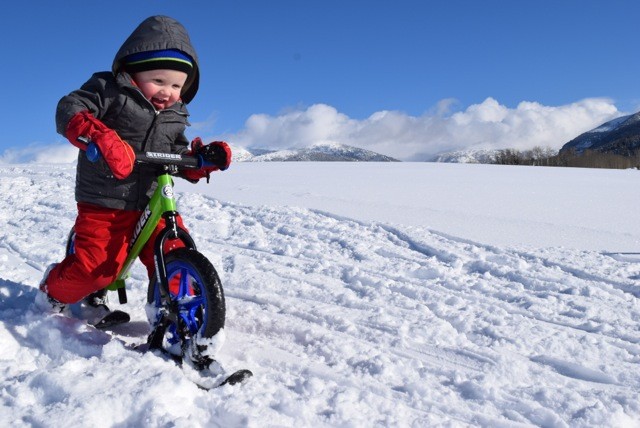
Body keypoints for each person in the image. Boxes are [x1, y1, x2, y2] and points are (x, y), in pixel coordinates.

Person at [38, 15, 231, 311]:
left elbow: (178, 154)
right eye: (159, 81)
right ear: (134, 73)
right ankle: (53, 289)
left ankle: (175, 308)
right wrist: (100, 137)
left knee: (174, 248)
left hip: (151, 202)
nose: (168, 92)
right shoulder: (108, 90)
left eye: (177, 86)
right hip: (105, 201)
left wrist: (202, 160)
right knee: (98, 269)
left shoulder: (175, 113)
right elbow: (70, 109)